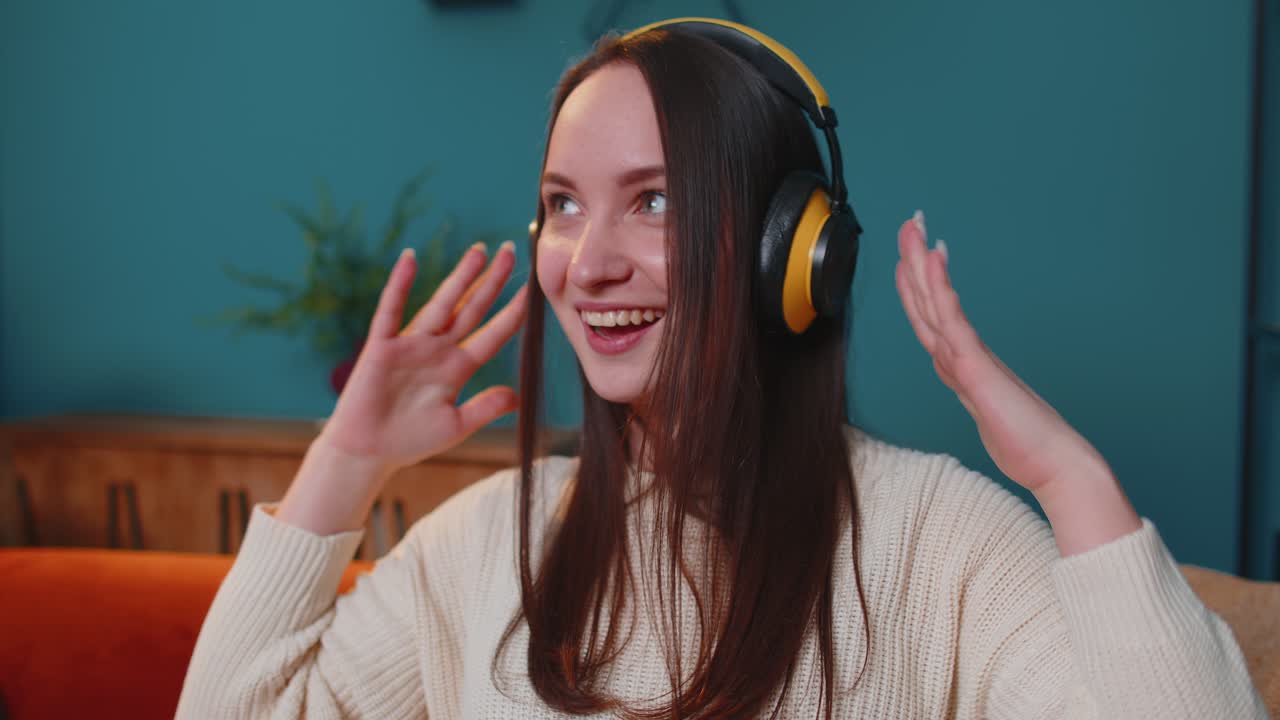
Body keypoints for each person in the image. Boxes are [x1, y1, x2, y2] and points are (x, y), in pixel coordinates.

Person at [177, 18, 1266, 719]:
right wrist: (345, 462)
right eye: (564, 205)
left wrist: (1072, 481)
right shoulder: (481, 545)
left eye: (653, 200)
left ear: (792, 251)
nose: (588, 265)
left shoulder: (944, 543)